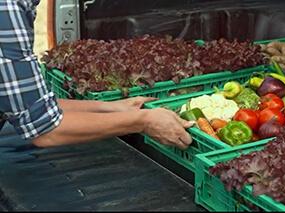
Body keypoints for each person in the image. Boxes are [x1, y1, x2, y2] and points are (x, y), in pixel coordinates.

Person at [0, 0, 193, 149]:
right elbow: (45, 130)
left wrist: (109, 108)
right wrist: (143, 121)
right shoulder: (8, 8)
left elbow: (31, 106)